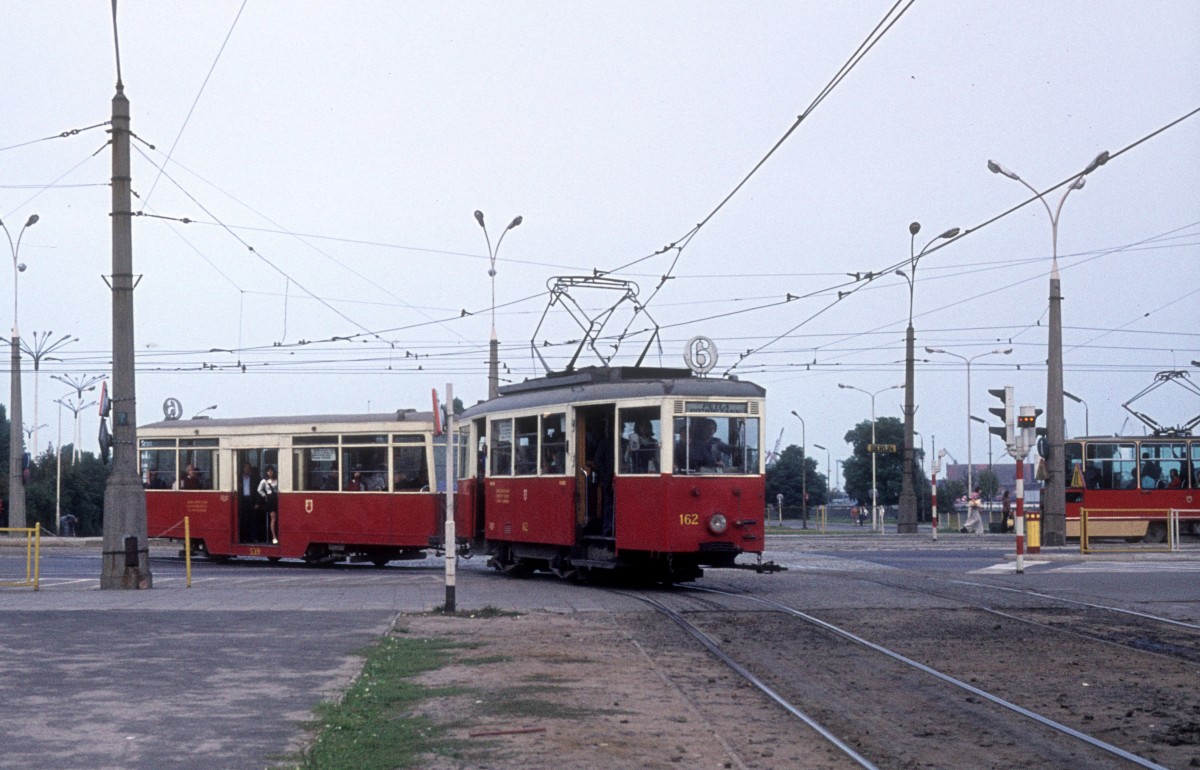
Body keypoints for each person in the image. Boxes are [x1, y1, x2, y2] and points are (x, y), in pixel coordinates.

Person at [238, 462, 261, 542]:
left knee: (253, 520)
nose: (246, 469)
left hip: (252, 501)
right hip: (243, 501)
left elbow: (259, 491)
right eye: (245, 467)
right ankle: (245, 538)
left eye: (248, 467)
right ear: (242, 468)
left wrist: (257, 502)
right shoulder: (239, 478)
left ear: (250, 468)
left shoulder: (255, 478)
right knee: (244, 520)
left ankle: (254, 538)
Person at [257, 466, 279, 544]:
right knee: (273, 518)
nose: (270, 472)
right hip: (271, 500)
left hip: (277, 499)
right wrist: (265, 495)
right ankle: (274, 537)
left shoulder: (277, 480)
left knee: (278, 518)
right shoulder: (264, 481)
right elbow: (259, 489)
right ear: (266, 472)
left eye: (271, 471)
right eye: (268, 471)